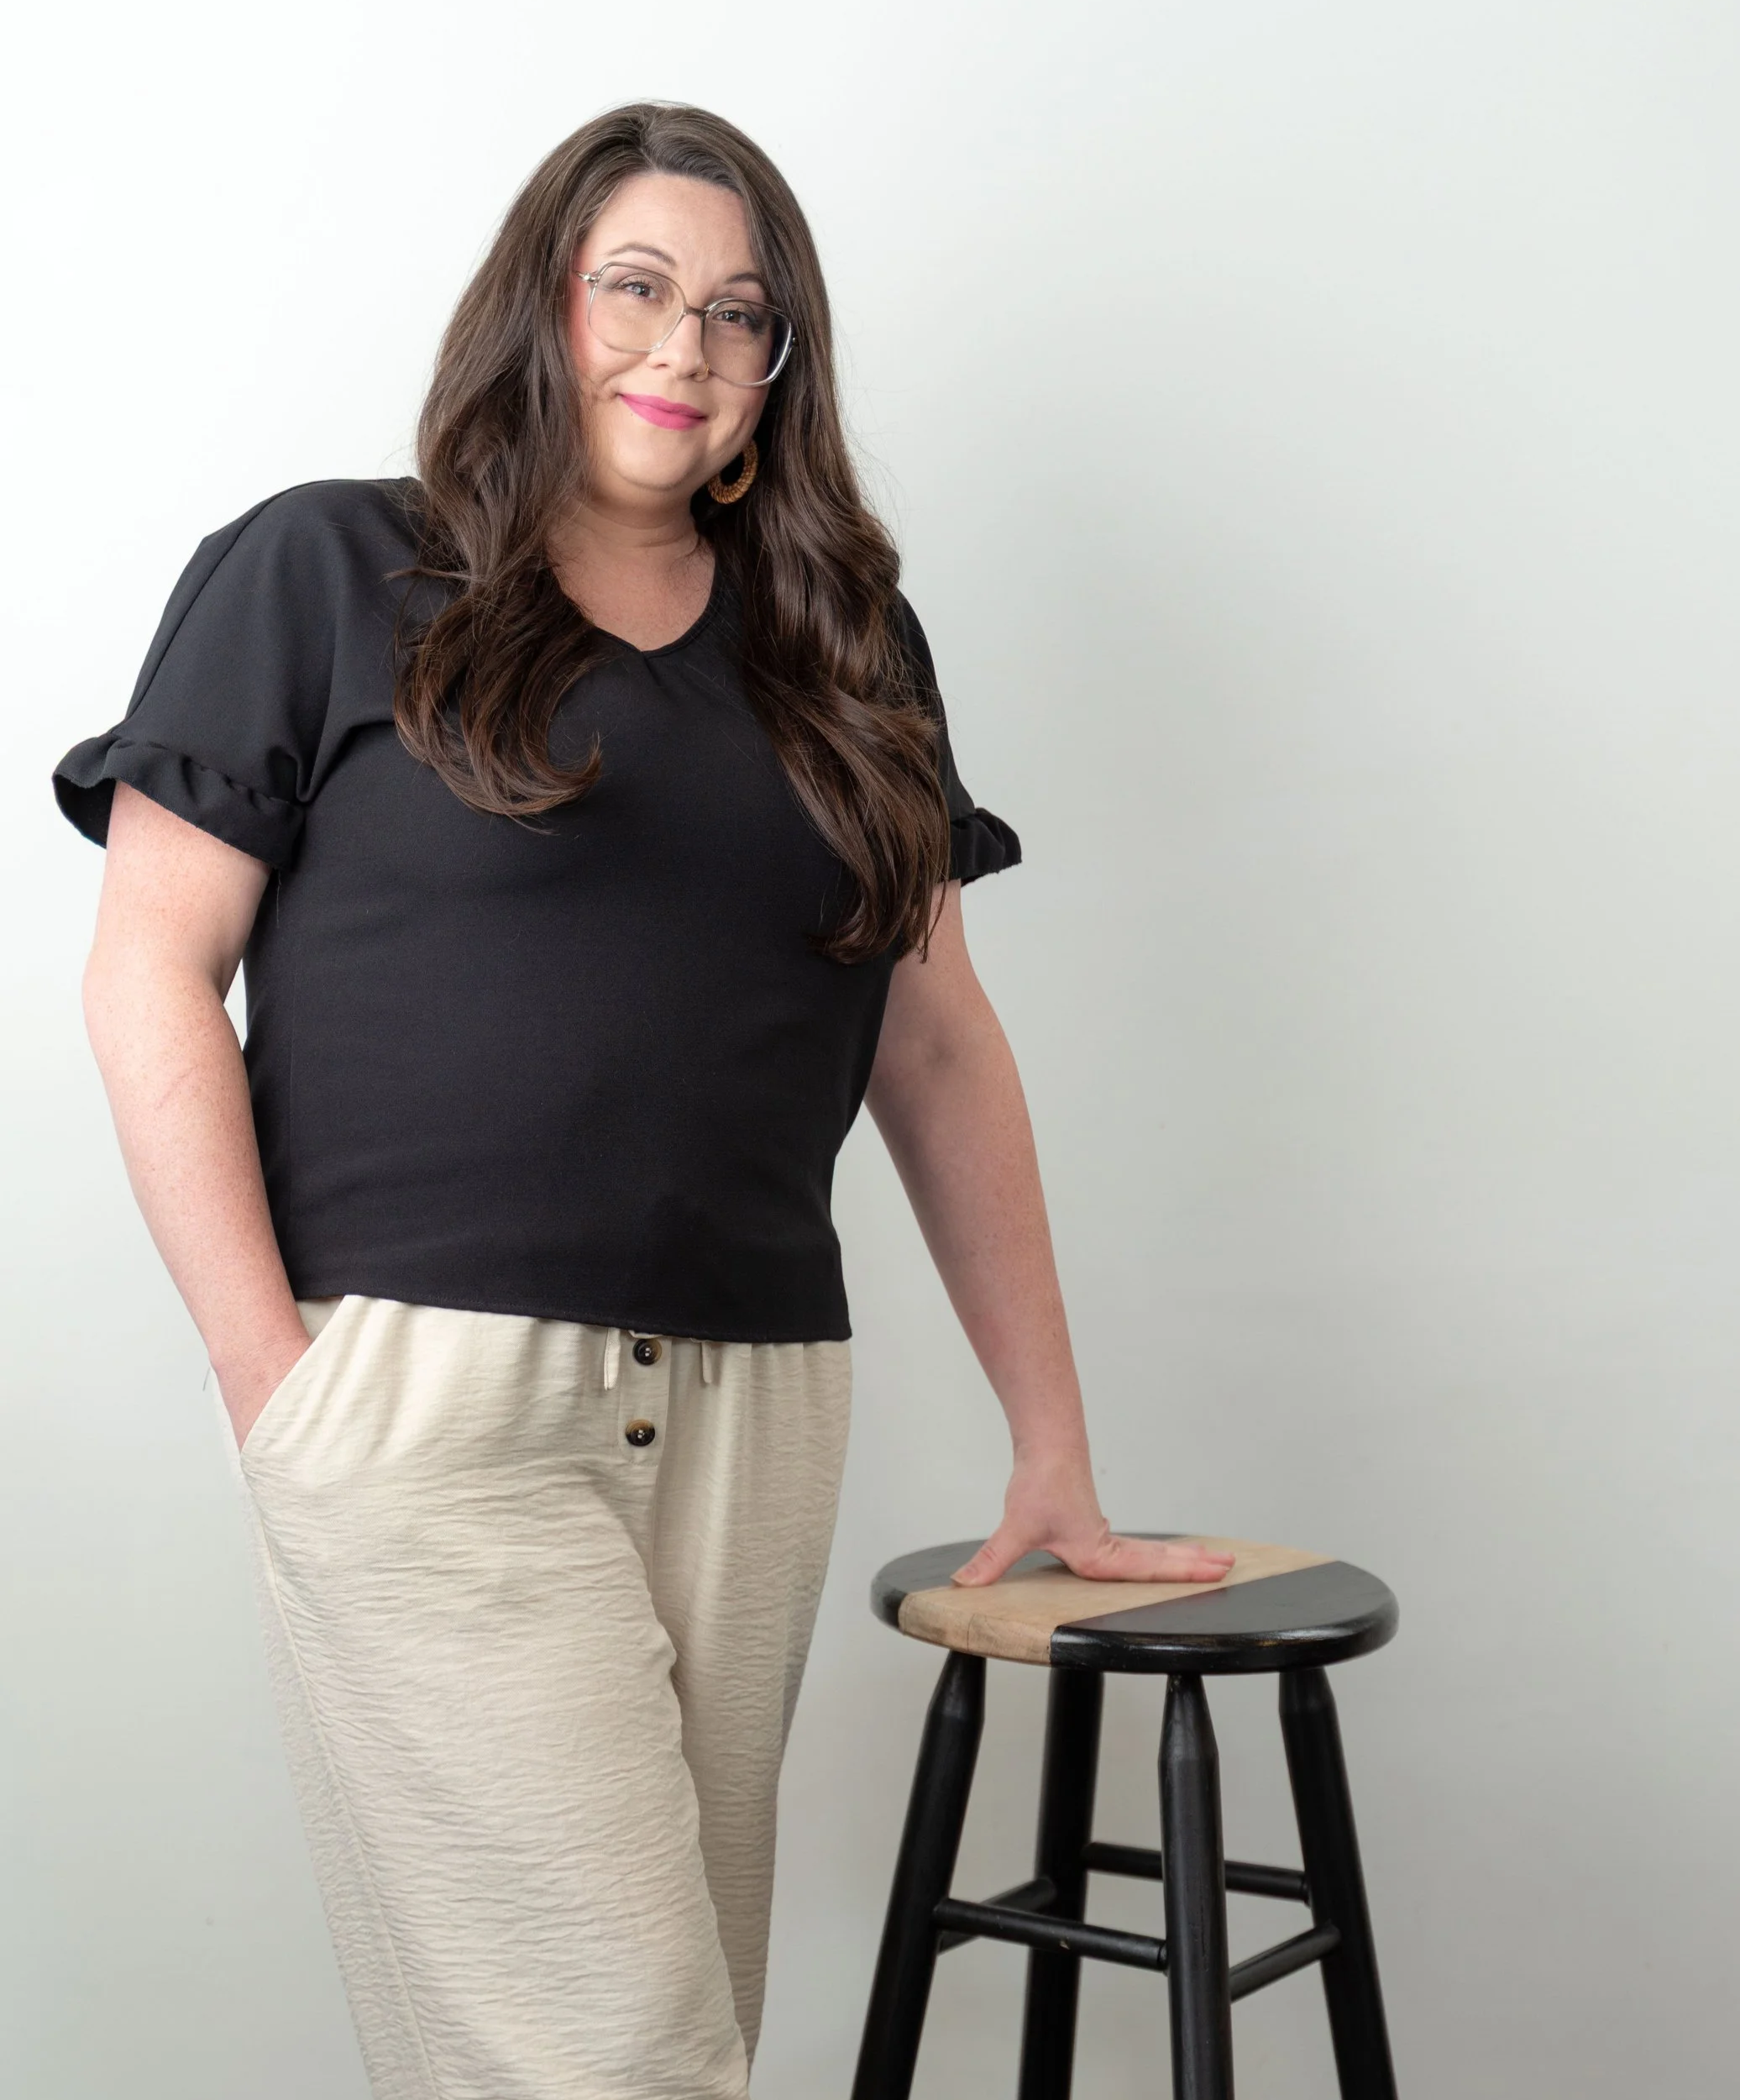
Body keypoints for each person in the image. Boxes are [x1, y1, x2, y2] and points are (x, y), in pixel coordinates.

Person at [53, 101, 1234, 2100]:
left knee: (631, 2028)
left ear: (778, 368)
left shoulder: (842, 648)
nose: (682, 346)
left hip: (756, 1407)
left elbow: (937, 1044)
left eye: (738, 313)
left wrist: (1052, 1442)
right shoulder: (323, 570)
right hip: (427, 1399)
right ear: (544, 304)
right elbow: (149, 966)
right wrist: (279, 1384)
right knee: (622, 2051)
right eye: (636, 287)